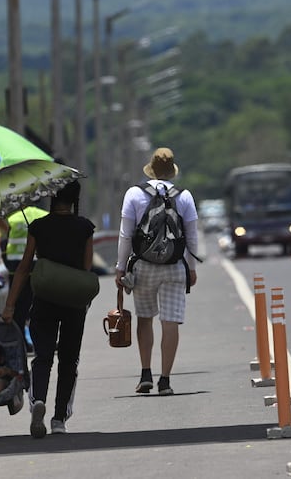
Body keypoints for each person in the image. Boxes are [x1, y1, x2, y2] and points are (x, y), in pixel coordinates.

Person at [2, 180, 95, 438]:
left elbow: (23, 267)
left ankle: (38, 400)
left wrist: (10, 305)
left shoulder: (39, 226)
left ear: (53, 197)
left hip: (43, 299)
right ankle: (59, 418)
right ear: (75, 198)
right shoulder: (85, 227)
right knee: (68, 360)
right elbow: (87, 267)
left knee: (43, 356)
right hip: (74, 302)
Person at [114, 147, 199, 396]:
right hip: (174, 267)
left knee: (145, 318)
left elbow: (125, 235)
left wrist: (120, 268)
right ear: (172, 171)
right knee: (170, 321)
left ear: (150, 168)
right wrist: (191, 268)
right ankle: (165, 380)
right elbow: (192, 237)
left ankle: (145, 374)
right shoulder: (184, 196)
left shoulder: (134, 194)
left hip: (143, 266)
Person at [0, 206, 49, 352]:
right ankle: (42, 342)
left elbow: (7, 237)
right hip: (38, 268)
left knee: (19, 310)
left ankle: (21, 344)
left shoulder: (13, 219)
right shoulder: (44, 214)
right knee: (41, 307)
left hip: (17, 270)